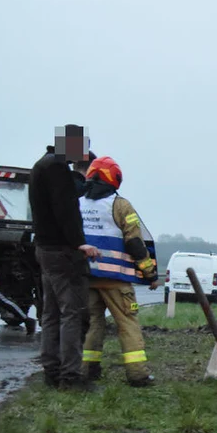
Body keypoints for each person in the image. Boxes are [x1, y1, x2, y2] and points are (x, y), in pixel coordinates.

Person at [28, 125, 99, 389]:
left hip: (45, 249)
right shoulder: (57, 168)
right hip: (62, 251)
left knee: (51, 313)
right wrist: (79, 243)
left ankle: (51, 371)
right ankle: (70, 376)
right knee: (73, 313)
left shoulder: (41, 165)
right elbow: (65, 209)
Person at [79, 156, 159, 387]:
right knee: (128, 323)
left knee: (92, 324)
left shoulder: (78, 203)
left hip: (87, 277)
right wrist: (149, 272)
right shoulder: (120, 205)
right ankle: (137, 374)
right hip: (116, 280)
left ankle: (87, 370)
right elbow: (134, 243)